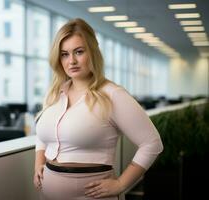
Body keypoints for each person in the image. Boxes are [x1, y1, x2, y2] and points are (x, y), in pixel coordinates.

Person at [33, 18, 163, 200]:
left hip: (93, 196)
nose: (71, 61)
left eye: (79, 52)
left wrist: (121, 184)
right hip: (48, 193)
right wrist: (39, 162)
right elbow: (43, 134)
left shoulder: (112, 95)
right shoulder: (55, 94)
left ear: (92, 52)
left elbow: (152, 143)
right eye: (64, 54)